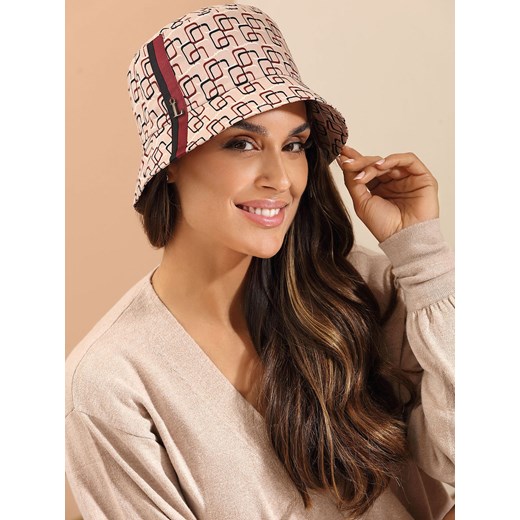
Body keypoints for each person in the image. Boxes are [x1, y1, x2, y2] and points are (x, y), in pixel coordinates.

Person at [65, 4, 454, 519]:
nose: (282, 178)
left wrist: (422, 254)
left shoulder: (358, 289)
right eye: (242, 143)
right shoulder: (112, 382)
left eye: (294, 145)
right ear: (171, 162)